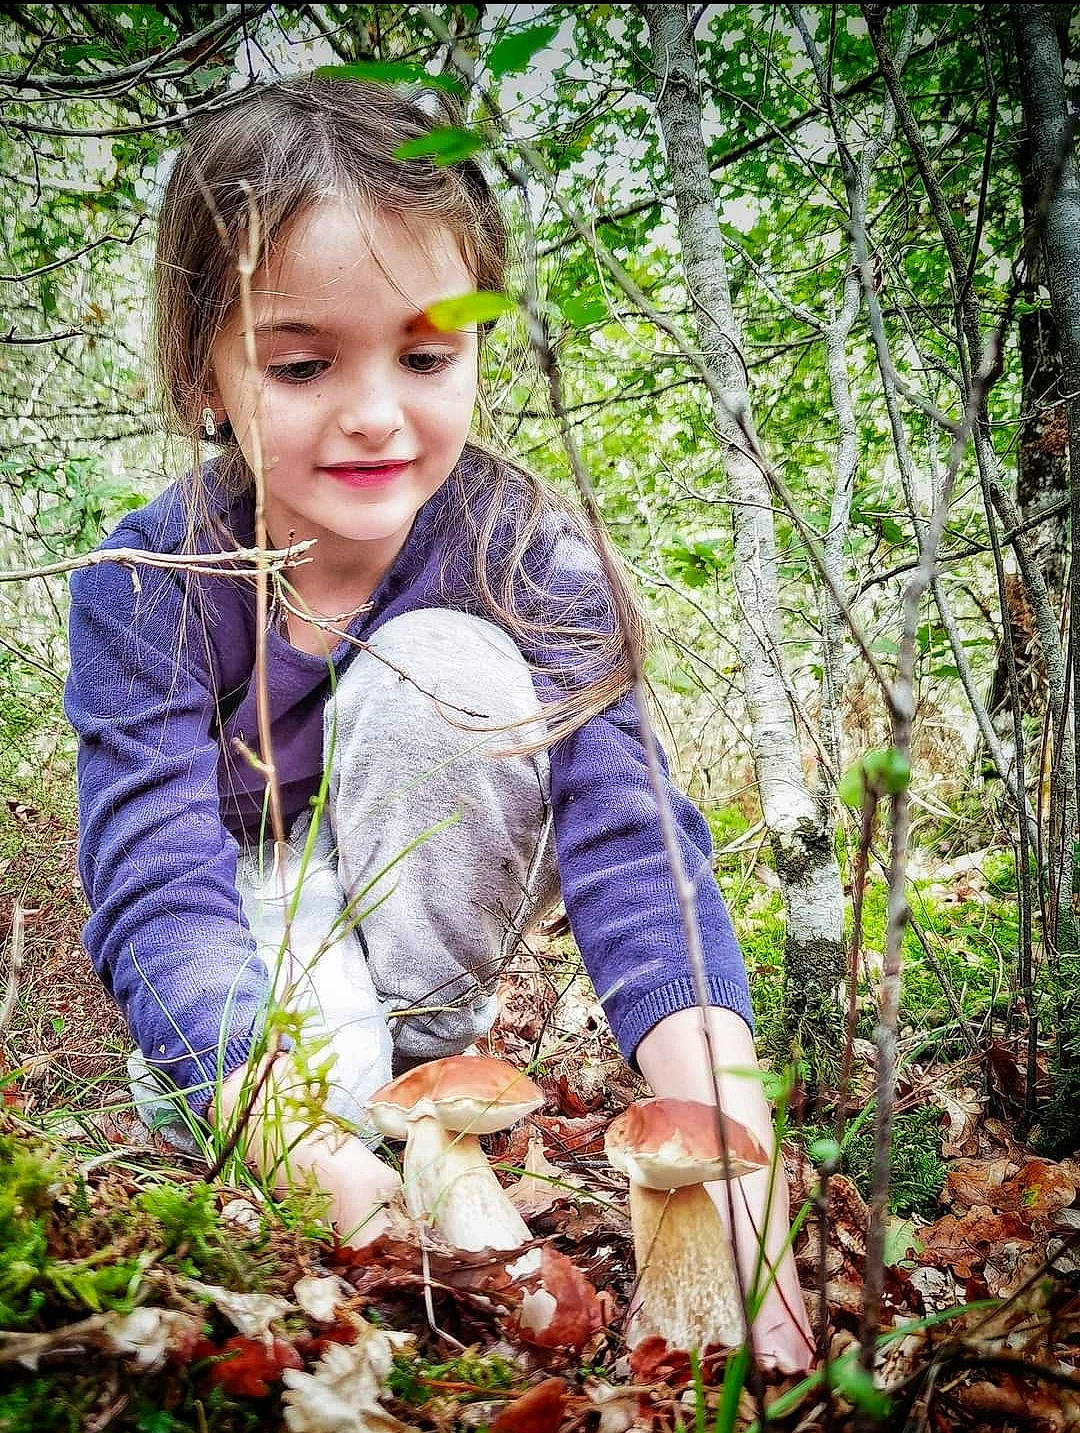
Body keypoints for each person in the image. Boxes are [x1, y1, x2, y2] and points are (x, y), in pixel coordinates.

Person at [64, 75, 813, 1373]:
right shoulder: (149, 583)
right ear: (207, 364)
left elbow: (637, 846)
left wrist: (740, 1151)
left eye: (424, 354)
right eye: (303, 363)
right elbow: (156, 886)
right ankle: (291, 1118)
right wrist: (304, 1147)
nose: (373, 411)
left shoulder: (531, 555)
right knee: (310, 1030)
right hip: (246, 965)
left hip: (425, 937)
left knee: (449, 667)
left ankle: (426, 1075)